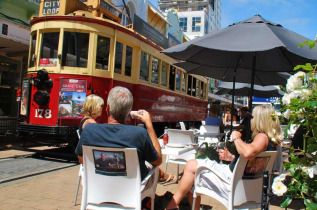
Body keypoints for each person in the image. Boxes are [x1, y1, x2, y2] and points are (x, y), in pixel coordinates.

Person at [165, 104, 281, 210]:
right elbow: (251, 163)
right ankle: (175, 205)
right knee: (192, 171)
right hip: (244, 182)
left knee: (191, 166)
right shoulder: (271, 140)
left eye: (253, 117)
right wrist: (232, 158)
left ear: (260, 120)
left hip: (232, 182)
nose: (251, 120)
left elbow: (248, 152)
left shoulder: (262, 137)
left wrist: (236, 137)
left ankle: (172, 206)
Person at [75, 86, 162, 180]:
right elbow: (157, 161)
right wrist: (149, 124)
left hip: (99, 187)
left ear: (107, 107)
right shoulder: (140, 134)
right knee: (154, 170)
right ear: (129, 111)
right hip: (132, 189)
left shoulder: (89, 130)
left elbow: (81, 159)